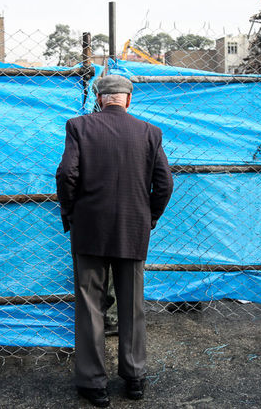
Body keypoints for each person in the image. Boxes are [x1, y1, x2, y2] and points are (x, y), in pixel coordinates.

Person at [56, 74, 173, 407]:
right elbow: (164, 184)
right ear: (129, 99)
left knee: (90, 304)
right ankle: (134, 378)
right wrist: (148, 217)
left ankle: (94, 384)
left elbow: (67, 174)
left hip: (90, 228)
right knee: (132, 304)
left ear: (99, 99)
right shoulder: (150, 133)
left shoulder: (78, 127)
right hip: (132, 229)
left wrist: (71, 212)